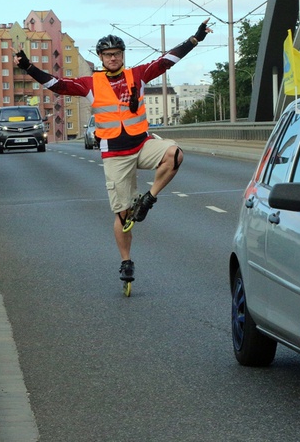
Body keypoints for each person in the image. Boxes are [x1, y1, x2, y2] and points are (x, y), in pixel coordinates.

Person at [14, 19, 212, 286]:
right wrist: (28, 67)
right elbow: (57, 84)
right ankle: (126, 260)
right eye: (108, 55)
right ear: (101, 57)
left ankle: (149, 200)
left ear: (122, 56)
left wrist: (194, 38)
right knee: (122, 214)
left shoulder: (137, 75)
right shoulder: (90, 83)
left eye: (117, 54)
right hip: (115, 154)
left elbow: (167, 61)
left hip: (141, 145)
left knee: (174, 153)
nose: (113, 58)